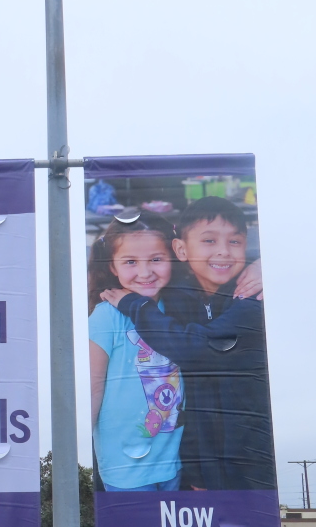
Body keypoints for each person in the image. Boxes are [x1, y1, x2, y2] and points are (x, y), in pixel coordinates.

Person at [101, 196, 274, 492]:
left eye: (235, 242)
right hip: (191, 464)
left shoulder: (251, 302)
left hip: (251, 461)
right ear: (180, 249)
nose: (223, 251)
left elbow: (196, 348)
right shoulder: (173, 294)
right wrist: (195, 472)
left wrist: (263, 264)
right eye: (209, 240)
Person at [88, 210, 184, 491]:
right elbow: (93, 387)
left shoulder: (178, 308)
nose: (145, 272)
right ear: (113, 267)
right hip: (124, 466)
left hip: (174, 461)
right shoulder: (105, 316)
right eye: (130, 261)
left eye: (156, 259)